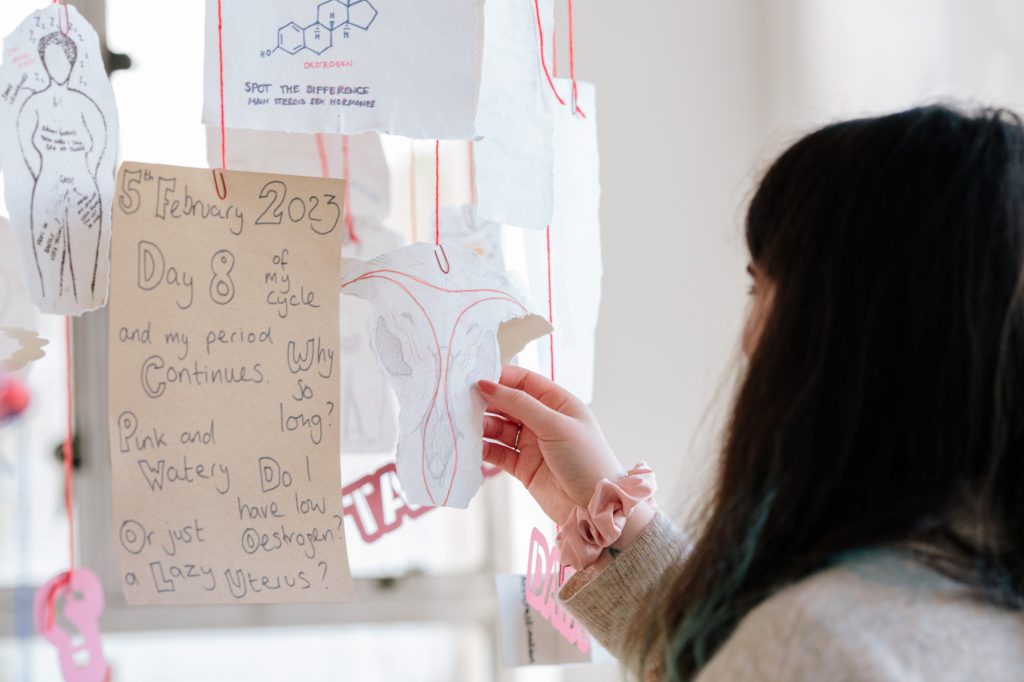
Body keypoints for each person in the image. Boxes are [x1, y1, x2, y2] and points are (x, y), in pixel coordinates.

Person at [478, 105, 1024, 681]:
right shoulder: (975, 602)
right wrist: (609, 515)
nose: (748, 339)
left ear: (845, 330)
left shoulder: (816, 644)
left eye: (760, 288)